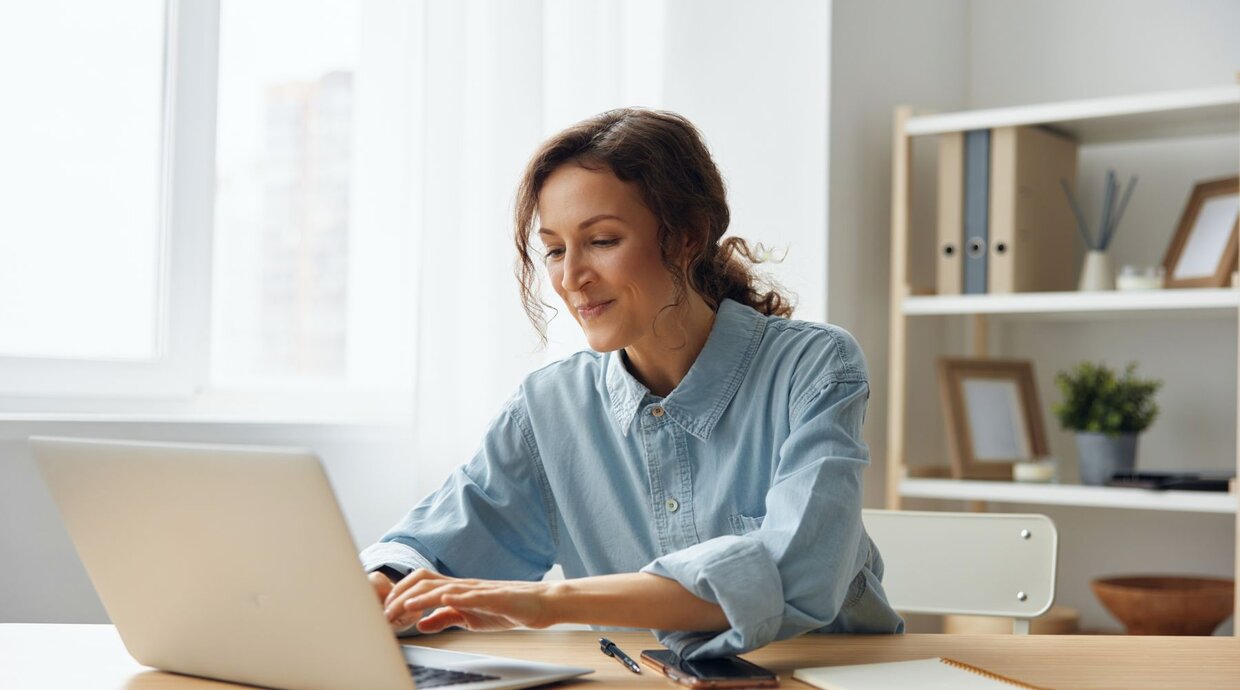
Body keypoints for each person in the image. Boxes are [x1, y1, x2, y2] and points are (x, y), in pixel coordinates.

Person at [360, 108, 903, 659]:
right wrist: (376, 590)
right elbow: (436, 546)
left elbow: (797, 572)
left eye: (601, 240)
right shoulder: (549, 407)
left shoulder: (814, 368)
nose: (571, 278)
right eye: (553, 249)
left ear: (687, 236)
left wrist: (550, 603)